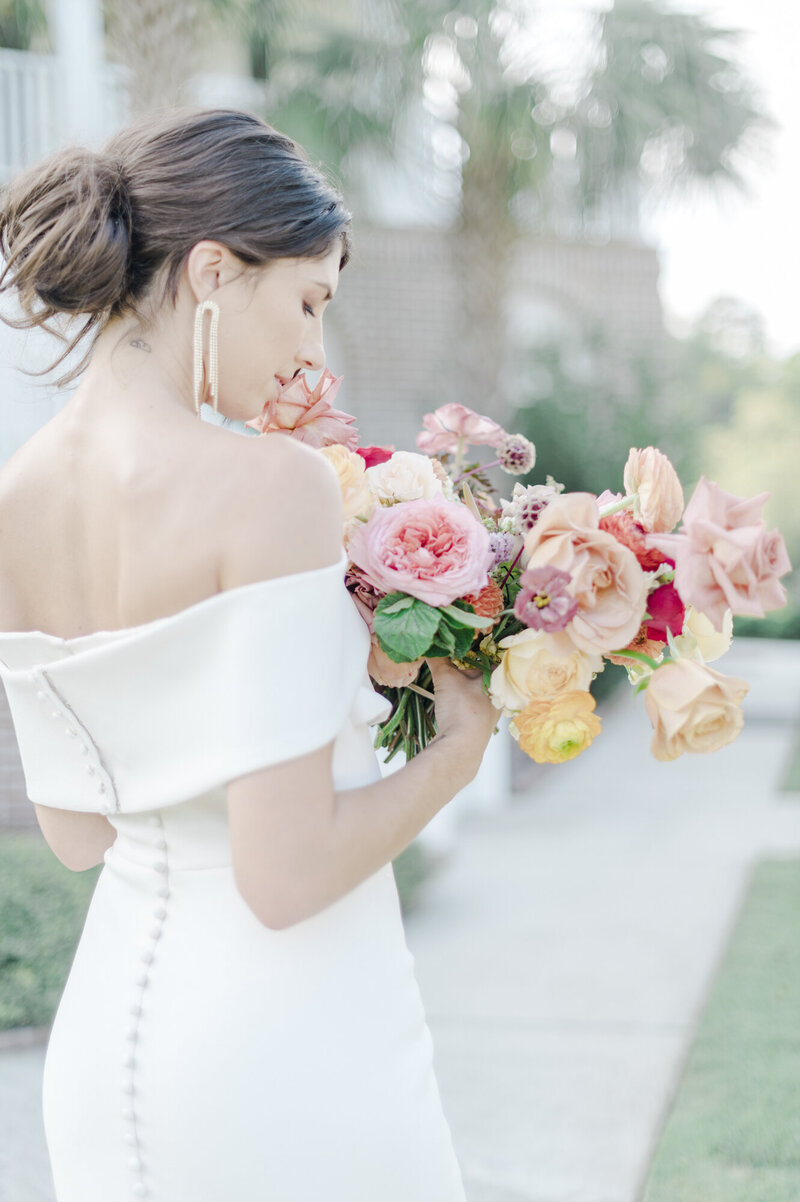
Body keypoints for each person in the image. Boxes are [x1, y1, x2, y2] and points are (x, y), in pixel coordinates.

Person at [0, 108, 498, 1201]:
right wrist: (456, 752)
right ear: (214, 271)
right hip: (282, 1040)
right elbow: (283, 876)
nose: (311, 350)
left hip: (108, 1041)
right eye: (308, 302)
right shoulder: (272, 486)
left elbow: (80, 832)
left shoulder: (17, 496)